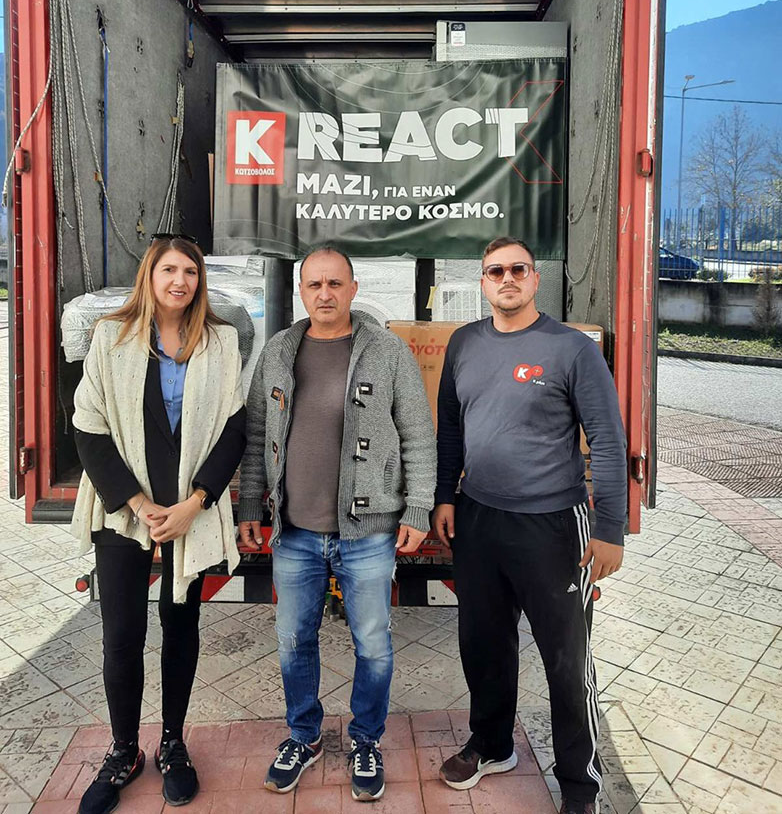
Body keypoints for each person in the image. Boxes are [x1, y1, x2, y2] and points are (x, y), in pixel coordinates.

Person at [433, 236, 627, 814]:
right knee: (484, 644)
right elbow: (450, 428)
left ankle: (580, 786)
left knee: (566, 662)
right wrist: (445, 498)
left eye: (518, 269)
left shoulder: (571, 349)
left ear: (536, 279)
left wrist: (610, 528)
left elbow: (607, 440)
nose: (507, 279)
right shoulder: (464, 343)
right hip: (479, 519)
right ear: (483, 282)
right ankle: (492, 745)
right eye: (495, 271)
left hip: (553, 526)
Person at [239, 245, 436, 802]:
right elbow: (257, 435)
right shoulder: (279, 350)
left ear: (353, 288)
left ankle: (366, 739)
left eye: (334, 283)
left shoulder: (387, 351)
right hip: (295, 532)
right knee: (292, 640)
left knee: (372, 644)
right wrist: (250, 504)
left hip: (368, 533)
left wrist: (418, 507)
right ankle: (303, 735)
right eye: (314, 284)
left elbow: (418, 434)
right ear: (301, 291)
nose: (324, 294)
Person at [70, 234, 247, 814]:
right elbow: (88, 426)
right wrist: (136, 502)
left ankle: (172, 743)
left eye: (190, 272)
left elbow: (234, 429)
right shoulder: (112, 338)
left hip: (188, 512)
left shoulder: (220, 341)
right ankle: (124, 750)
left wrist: (197, 501)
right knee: (122, 634)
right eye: (169, 270)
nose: (180, 281)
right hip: (125, 510)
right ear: (149, 276)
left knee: (180, 625)